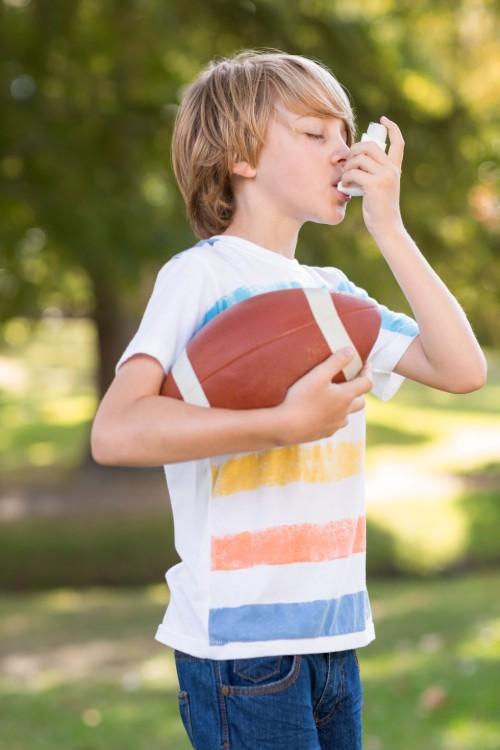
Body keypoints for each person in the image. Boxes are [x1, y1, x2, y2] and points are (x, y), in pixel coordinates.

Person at [90, 49, 487, 750]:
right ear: (241, 158)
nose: (345, 153)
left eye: (348, 133)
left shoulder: (336, 297)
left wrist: (390, 228)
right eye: (315, 134)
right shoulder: (200, 276)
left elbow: (461, 370)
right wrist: (281, 424)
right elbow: (116, 432)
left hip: (333, 633)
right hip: (241, 648)